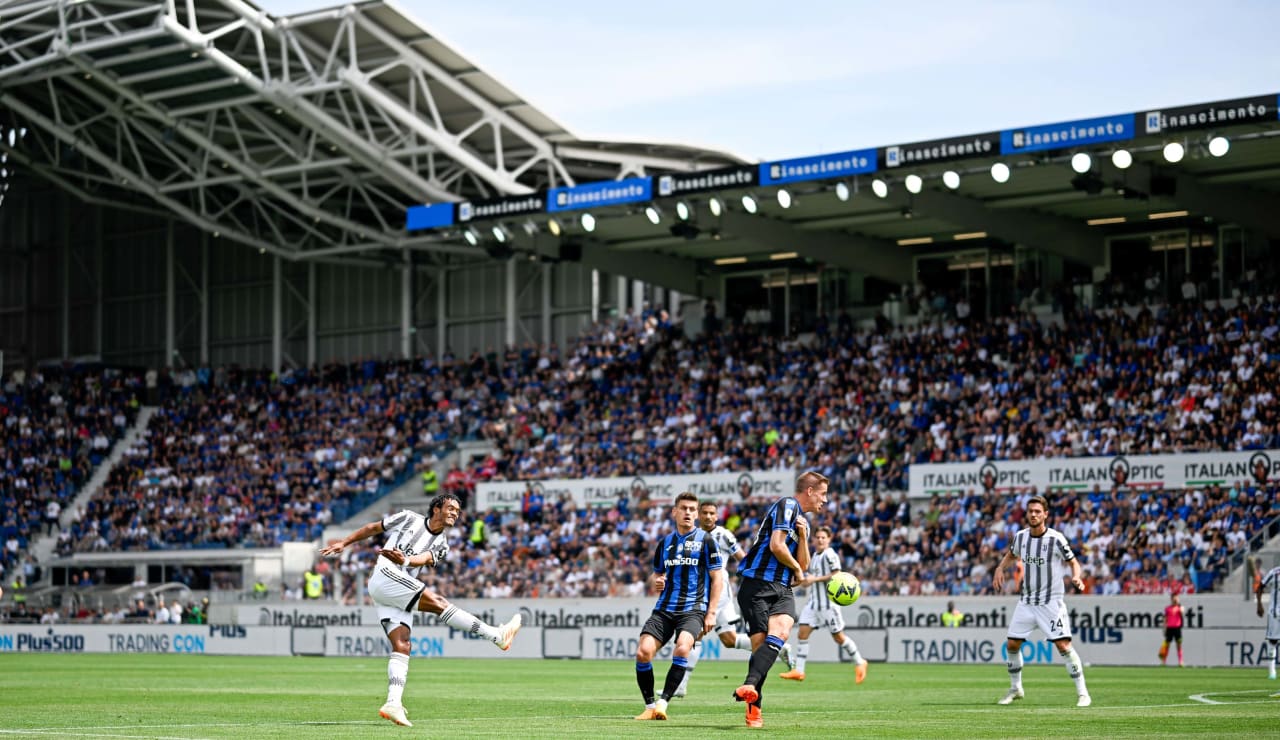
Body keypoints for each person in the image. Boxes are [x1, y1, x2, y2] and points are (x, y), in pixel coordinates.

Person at [321, 492, 522, 728]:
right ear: (437, 508)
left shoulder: (442, 544)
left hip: (394, 587)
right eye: (451, 508)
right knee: (438, 603)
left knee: (402, 644)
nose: (454, 514)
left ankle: (393, 703)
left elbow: (424, 558)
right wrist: (344, 543)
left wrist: (405, 560)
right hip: (385, 574)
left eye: (457, 511)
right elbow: (373, 528)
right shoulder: (408, 518)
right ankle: (496, 636)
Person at [732, 470, 829, 729]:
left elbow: (804, 564)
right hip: (757, 585)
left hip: (783, 588)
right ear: (809, 491)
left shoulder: (804, 523)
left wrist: (805, 538)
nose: (825, 500)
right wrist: (797, 569)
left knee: (782, 632)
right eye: (823, 494)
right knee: (760, 645)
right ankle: (754, 710)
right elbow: (777, 545)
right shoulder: (787, 504)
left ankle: (749, 685)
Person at [673, 500, 793, 698]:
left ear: (717, 516)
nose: (708, 517)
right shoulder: (692, 537)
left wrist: (747, 578)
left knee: (695, 635)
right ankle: (779, 648)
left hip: (718, 595)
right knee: (729, 640)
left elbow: (743, 558)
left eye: (712, 513)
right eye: (705, 513)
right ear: (698, 515)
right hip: (701, 593)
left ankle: (680, 686)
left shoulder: (723, 535)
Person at [993, 495, 1092, 708]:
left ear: (1045, 514)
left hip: (1050, 602)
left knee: (1063, 646)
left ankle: (1083, 693)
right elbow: (1011, 555)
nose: (1034, 515)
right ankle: (1016, 688)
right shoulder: (1020, 537)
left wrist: (1076, 576)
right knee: (1012, 644)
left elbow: (1073, 562)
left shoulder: (1056, 539)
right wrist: (1000, 568)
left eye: (1038, 511)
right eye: (1030, 511)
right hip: (1027, 601)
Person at [634, 492, 725, 721]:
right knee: (643, 652)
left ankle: (663, 703)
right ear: (674, 512)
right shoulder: (665, 543)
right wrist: (657, 581)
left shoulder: (706, 540)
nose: (688, 513)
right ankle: (649, 706)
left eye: (692, 510)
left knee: (683, 648)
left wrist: (711, 612)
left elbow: (718, 578)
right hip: (664, 608)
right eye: (684, 508)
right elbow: (657, 574)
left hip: (693, 609)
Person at [780, 526, 868, 684]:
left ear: (829, 539)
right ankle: (799, 671)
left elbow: (837, 574)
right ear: (814, 539)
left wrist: (815, 579)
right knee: (802, 633)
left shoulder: (830, 554)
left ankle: (860, 662)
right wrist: (806, 582)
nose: (820, 540)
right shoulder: (814, 555)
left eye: (823, 538)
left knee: (839, 637)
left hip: (829, 604)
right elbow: (813, 578)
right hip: (814, 603)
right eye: (818, 537)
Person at [1256, 562, 1280, 680]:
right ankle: (1272, 671)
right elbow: (1260, 587)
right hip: (1275, 613)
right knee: (1272, 642)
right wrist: (1259, 605)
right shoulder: (1274, 572)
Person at [1160, 593, 1185, 667]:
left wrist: (1179, 604)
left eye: (1176, 598)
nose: (1175, 600)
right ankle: (1163, 661)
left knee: (1179, 645)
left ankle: (1180, 661)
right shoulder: (1167, 608)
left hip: (1177, 628)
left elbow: (1182, 612)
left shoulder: (1180, 607)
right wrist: (1164, 628)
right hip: (1169, 628)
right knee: (1167, 645)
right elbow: (1165, 619)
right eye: (1173, 598)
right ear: (1171, 599)